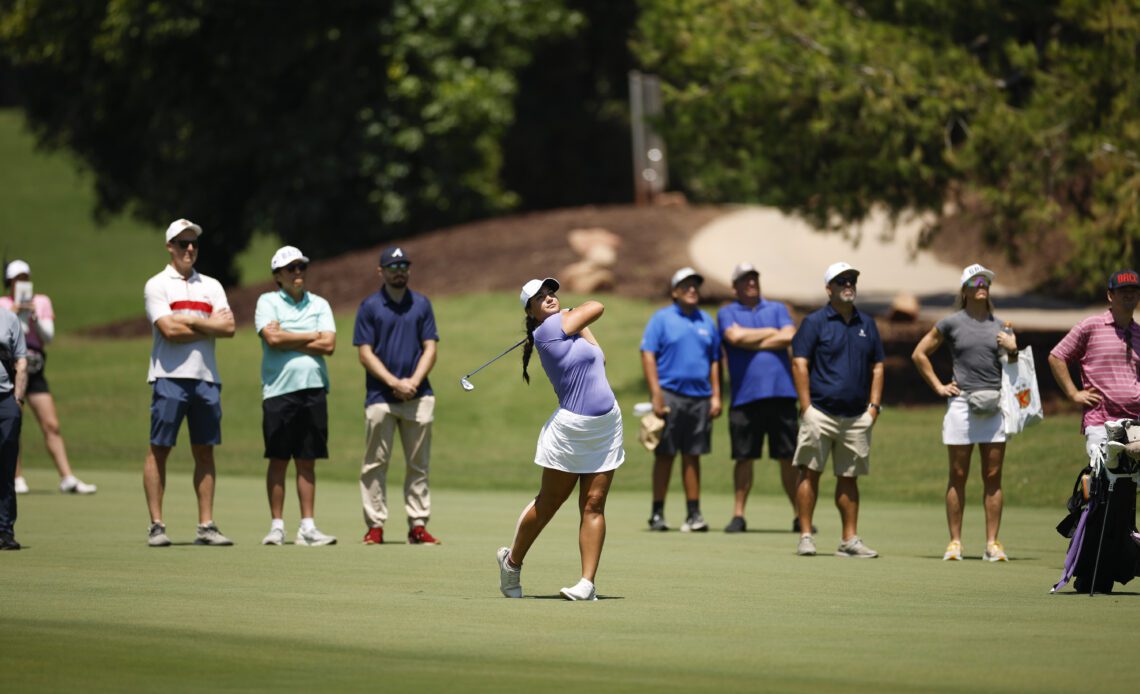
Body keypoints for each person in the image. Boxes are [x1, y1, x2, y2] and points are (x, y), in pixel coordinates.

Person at [496, 277, 625, 601]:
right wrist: (569, 312)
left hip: (606, 425)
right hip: (571, 431)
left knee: (594, 504)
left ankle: (587, 584)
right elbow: (597, 305)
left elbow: (600, 358)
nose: (549, 297)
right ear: (531, 312)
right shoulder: (548, 331)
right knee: (550, 502)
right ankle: (512, 562)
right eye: (540, 297)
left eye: (551, 293)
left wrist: (572, 318)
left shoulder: (566, 326)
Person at [912, 264, 1018, 562]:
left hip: (994, 404)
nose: (982, 285)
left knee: (993, 474)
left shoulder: (1002, 324)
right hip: (961, 404)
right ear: (965, 289)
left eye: (985, 281)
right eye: (975, 281)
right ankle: (955, 542)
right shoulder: (951, 323)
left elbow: (1013, 369)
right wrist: (938, 386)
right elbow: (919, 353)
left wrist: (1012, 348)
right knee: (958, 474)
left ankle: (992, 543)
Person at [142, 219, 236, 547]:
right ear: (170, 246)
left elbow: (229, 328)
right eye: (183, 243)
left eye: (193, 243)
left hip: (206, 378)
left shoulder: (211, 285)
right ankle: (156, 525)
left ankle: (206, 526)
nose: (190, 249)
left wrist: (189, 319)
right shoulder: (157, 284)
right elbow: (168, 331)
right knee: (160, 448)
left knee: (205, 451)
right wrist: (208, 323)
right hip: (168, 376)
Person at [791, 262, 884, 558]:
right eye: (841, 281)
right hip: (819, 412)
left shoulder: (866, 324)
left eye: (852, 281)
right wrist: (805, 407)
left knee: (849, 478)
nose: (848, 285)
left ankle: (849, 540)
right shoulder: (814, 322)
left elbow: (878, 365)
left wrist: (873, 407)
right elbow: (799, 363)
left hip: (857, 416)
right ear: (828, 288)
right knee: (810, 473)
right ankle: (806, 535)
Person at [353, 246, 441, 545]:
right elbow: (365, 353)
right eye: (393, 266)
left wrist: (413, 381)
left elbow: (430, 347)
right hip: (380, 397)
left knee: (419, 464)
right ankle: (375, 526)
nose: (399, 270)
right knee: (375, 464)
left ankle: (418, 525)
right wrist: (394, 382)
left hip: (419, 395)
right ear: (381, 271)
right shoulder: (370, 306)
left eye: (404, 265)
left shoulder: (421, 304)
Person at [255, 246, 338, 547]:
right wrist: (310, 335)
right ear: (278, 275)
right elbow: (272, 339)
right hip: (279, 390)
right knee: (278, 459)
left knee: (307, 459)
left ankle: (307, 527)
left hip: (313, 388)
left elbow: (328, 344)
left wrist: (289, 336)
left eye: (301, 267)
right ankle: (277, 526)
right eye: (291, 269)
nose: (298, 273)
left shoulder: (319, 303)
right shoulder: (267, 301)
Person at [717, 262, 804, 533]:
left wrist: (750, 338)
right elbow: (734, 336)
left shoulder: (777, 308)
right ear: (735, 286)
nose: (751, 283)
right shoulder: (726, 312)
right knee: (744, 457)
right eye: (745, 279)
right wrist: (771, 333)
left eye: (754, 278)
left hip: (782, 393)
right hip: (745, 396)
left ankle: (800, 516)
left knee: (788, 456)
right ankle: (738, 515)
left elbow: (789, 335)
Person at [1, 260, 96, 495]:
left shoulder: (41, 302)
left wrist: (33, 316)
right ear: (9, 282)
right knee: (13, 424)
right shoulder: (2, 305)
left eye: (25, 278)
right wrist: (11, 316)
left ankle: (67, 478)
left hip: (36, 370)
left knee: (51, 424)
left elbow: (48, 337)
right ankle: (16, 477)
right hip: (10, 372)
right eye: (17, 279)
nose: (22, 283)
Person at [640, 267, 722, 532]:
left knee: (693, 456)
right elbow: (648, 354)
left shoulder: (706, 321)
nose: (692, 289)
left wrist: (716, 395)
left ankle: (694, 515)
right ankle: (657, 514)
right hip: (670, 396)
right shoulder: (661, 319)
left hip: (700, 398)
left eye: (695, 285)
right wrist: (656, 394)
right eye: (686, 285)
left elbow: (714, 361)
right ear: (675, 291)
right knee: (665, 456)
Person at [1048, 269, 1140, 474]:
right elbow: (1057, 356)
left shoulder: (1138, 333)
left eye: (1133, 290)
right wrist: (1073, 393)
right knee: (1103, 480)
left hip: (1135, 420)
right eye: (1123, 290)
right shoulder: (1091, 327)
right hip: (1101, 420)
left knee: (1129, 484)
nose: (1129, 294)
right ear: (1110, 295)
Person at [0, 308, 27, 550]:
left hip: (6, 400)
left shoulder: (8, 318)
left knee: (6, 467)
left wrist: (17, 399)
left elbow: (21, 359)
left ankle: (5, 530)